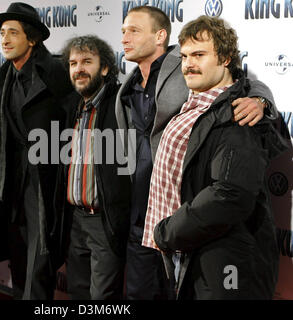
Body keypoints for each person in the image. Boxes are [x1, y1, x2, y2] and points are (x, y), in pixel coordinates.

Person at [116, 5, 278, 300]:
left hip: (217, 255)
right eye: (186, 56)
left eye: (199, 55)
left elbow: (230, 194)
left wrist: (167, 231)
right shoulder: (193, 102)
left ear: (226, 58)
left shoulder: (240, 113)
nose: (188, 64)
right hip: (179, 244)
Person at [0, 2, 73, 300]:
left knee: (40, 259)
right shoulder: (2, 78)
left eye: (12, 33)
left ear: (32, 38)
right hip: (10, 179)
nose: (5, 39)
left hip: (46, 178)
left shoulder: (59, 72)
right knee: (20, 255)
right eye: (2, 34)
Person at [55, 35, 131, 299]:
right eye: (73, 63)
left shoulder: (123, 103)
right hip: (74, 221)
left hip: (104, 220)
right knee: (77, 291)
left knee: (102, 297)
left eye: (87, 61)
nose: (79, 69)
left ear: (105, 67)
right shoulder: (70, 107)